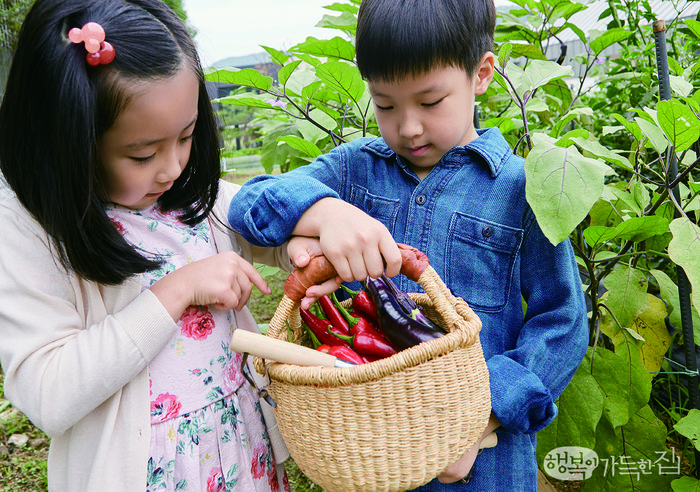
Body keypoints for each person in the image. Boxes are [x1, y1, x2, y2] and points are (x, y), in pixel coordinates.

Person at [226, 0, 590, 490]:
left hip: (480, 465)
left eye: (430, 101)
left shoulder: (521, 190)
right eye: (386, 104)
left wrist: (485, 416)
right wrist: (325, 211)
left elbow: (561, 321)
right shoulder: (354, 170)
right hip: (368, 448)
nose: (409, 126)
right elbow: (250, 204)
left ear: (481, 74)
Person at [0, 0, 319, 490]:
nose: (172, 168)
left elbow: (263, 221)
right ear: (68, 142)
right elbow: (48, 390)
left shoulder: (181, 194)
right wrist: (175, 292)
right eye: (142, 153)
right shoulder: (32, 226)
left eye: (187, 136)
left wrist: (312, 226)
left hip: (240, 452)